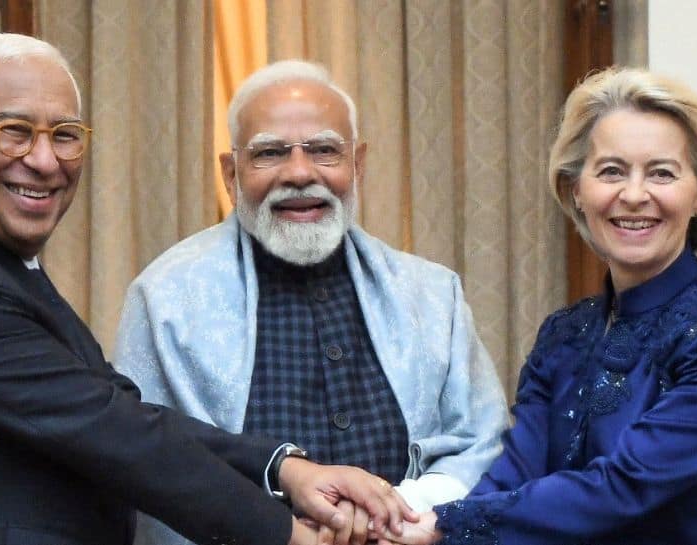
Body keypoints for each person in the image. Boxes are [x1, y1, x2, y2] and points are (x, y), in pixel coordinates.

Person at [0, 34, 414, 545]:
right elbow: (122, 440)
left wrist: (285, 468)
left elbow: (122, 414)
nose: (44, 161)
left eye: (65, 136)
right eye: (14, 132)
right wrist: (290, 536)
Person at [114, 60, 507, 545]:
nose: (299, 173)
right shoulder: (165, 299)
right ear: (231, 174)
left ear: (357, 165)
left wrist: (395, 514)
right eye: (269, 153)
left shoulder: (431, 295)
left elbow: (483, 443)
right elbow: (147, 466)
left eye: (324, 150)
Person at [383, 67, 697, 545]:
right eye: (611, 171)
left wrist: (445, 526)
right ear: (576, 189)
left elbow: (625, 486)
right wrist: (424, 525)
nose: (634, 195)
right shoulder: (563, 335)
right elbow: (514, 474)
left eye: (662, 173)